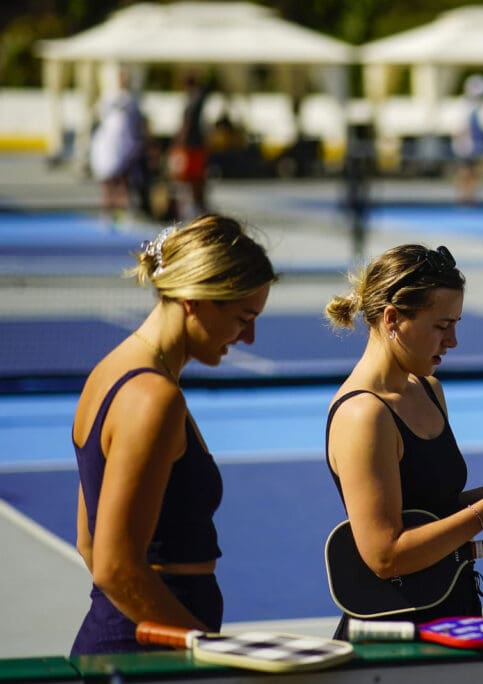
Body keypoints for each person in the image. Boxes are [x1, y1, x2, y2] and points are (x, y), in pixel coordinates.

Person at [324, 244, 483, 637]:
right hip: (396, 632)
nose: (452, 340)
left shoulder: (428, 389)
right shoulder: (363, 415)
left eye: (455, 323)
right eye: (440, 325)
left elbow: (431, 509)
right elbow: (385, 555)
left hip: (453, 608)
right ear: (393, 319)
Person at [70, 215, 277, 655]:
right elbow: (114, 567)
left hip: (135, 639)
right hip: (147, 653)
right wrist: (210, 650)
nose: (250, 337)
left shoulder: (110, 372)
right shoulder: (153, 398)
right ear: (194, 300)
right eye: (243, 317)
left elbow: (89, 541)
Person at [89, 68, 146, 226]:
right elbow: (99, 118)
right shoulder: (108, 98)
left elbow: (137, 123)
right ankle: (107, 214)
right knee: (108, 182)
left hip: (125, 146)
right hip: (109, 146)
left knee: (122, 182)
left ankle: (122, 214)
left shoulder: (132, 100)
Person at [169, 74, 212, 218]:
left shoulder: (194, 100)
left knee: (191, 178)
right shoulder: (196, 99)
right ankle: (196, 205)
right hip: (195, 144)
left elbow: (187, 124)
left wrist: (179, 141)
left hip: (192, 146)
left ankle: (196, 206)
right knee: (194, 178)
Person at [453, 74, 483, 205]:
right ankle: (464, 196)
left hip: (473, 145)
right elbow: (463, 127)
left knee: (473, 172)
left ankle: (470, 196)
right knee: (465, 172)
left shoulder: (475, 105)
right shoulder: (466, 105)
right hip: (467, 146)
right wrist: (465, 144)